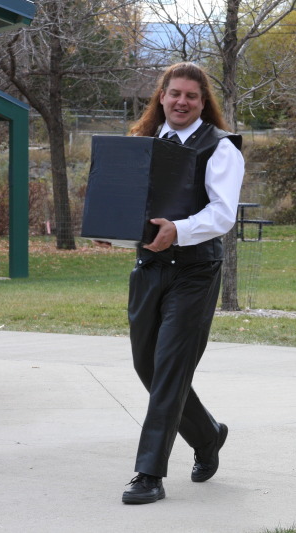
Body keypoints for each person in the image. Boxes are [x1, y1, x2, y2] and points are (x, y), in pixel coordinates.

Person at [120, 62, 244, 503]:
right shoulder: (143, 143)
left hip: (195, 272)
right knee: (148, 366)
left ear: (203, 102)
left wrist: (179, 230)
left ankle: (148, 474)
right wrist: (111, 227)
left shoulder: (221, 148)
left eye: (191, 95)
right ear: (162, 96)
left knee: (171, 368)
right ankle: (208, 435)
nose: (181, 101)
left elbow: (222, 214)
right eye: (174, 93)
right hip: (149, 268)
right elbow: (129, 201)